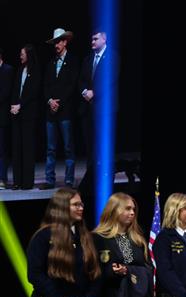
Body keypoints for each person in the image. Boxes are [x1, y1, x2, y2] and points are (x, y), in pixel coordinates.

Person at [78, 29, 119, 192]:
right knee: (90, 147)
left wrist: (94, 92)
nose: (92, 42)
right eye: (92, 39)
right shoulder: (88, 59)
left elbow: (110, 79)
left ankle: (107, 178)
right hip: (88, 110)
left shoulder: (113, 57)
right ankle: (92, 179)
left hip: (104, 111)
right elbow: (81, 79)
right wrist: (84, 92)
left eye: (95, 39)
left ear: (104, 39)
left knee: (105, 146)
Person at [41, 28, 79, 190]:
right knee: (50, 148)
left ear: (65, 42)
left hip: (65, 111)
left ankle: (69, 180)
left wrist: (59, 103)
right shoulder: (50, 63)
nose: (56, 45)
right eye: (55, 42)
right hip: (51, 112)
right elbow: (45, 86)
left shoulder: (73, 61)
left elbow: (72, 85)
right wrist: (50, 101)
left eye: (58, 42)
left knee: (68, 147)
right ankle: (50, 179)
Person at [10, 44, 41, 190]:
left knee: (27, 148)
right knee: (17, 148)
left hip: (29, 114)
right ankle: (17, 181)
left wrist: (20, 105)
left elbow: (33, 93)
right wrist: (13, 105)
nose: (20, 56)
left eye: (22, 54)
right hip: (17, 114)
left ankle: (27, 182)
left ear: (28, 55)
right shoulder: (20, 70)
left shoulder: (36, 70)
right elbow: (15, 90)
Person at [0, 48, 13, 189]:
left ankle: (2, 178)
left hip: (2, 116)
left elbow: (6, 92)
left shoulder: (7, 70)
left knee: (2, 149)